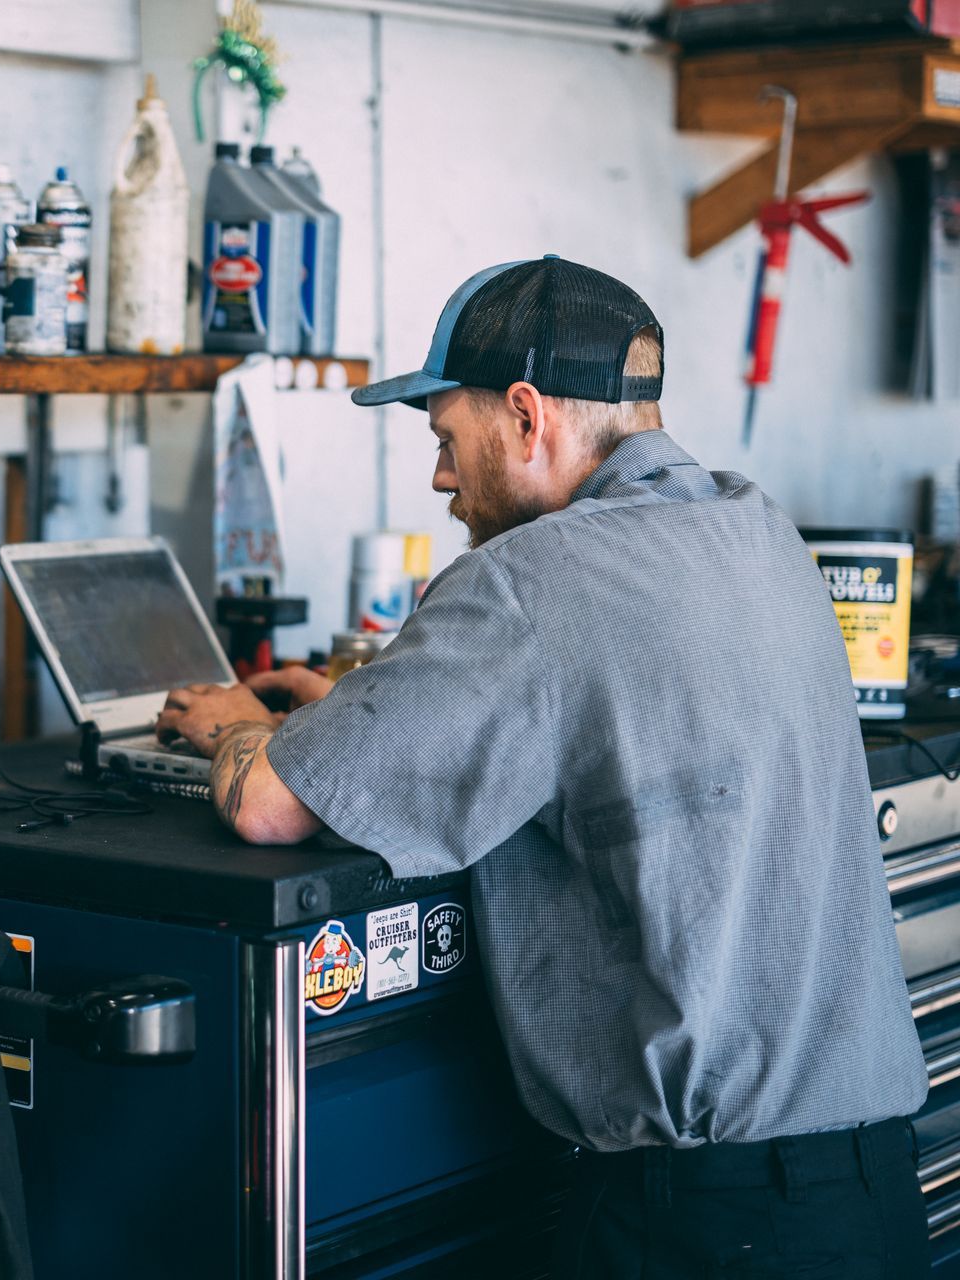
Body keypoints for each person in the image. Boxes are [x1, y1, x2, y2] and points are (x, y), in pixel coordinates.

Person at [158, 256, 929, 1277]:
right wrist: (365, 712)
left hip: (703, 1223)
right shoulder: (759, 528)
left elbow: (268, 806)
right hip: (869, 1195)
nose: (440, 478)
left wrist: (239, 726)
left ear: (526, 417)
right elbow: (608, 704)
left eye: (446, 439)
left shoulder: (529, 576)